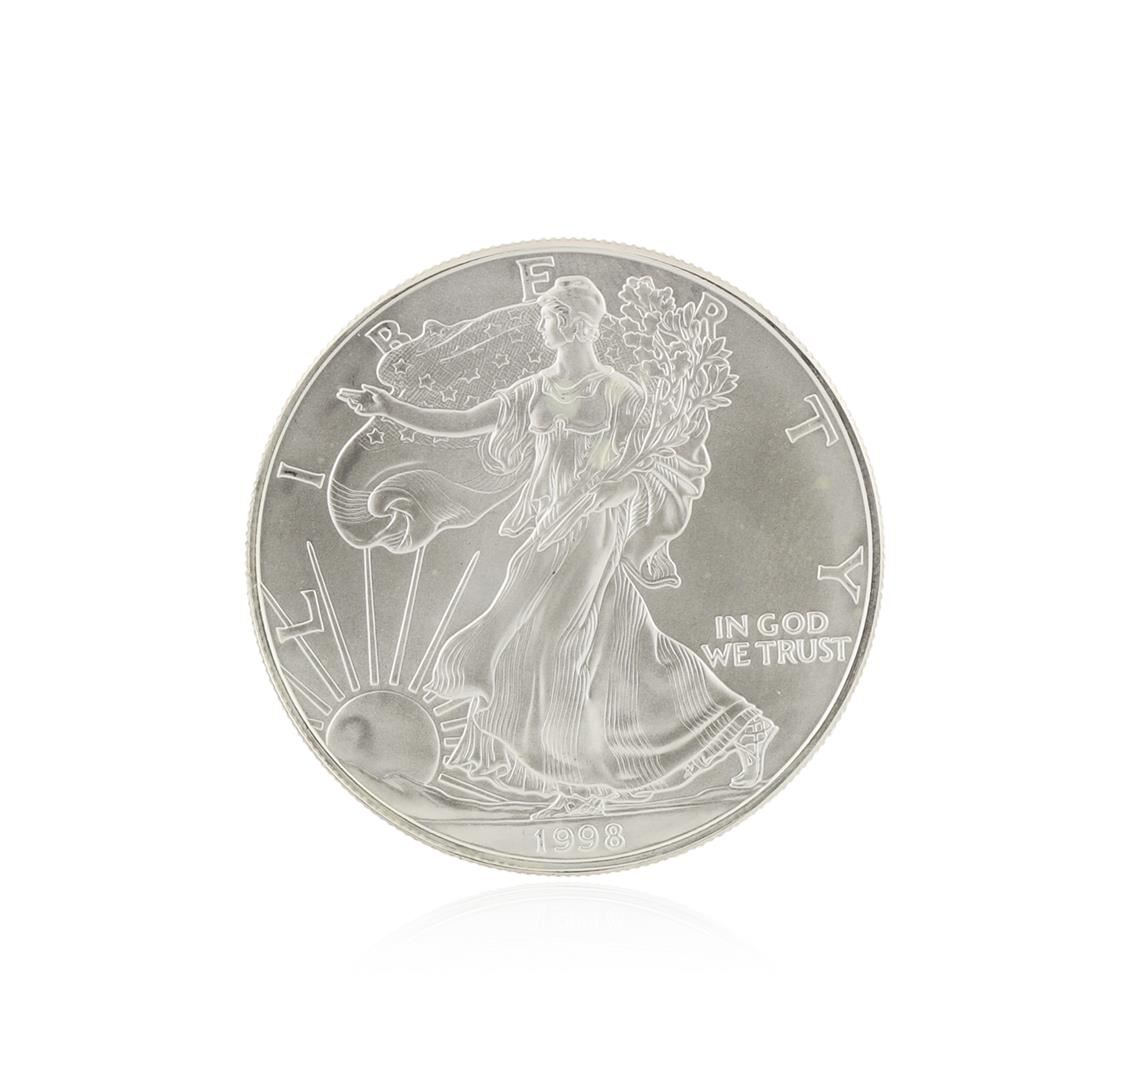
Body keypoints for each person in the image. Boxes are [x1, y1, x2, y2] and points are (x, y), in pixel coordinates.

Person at [339, 276, 774, 814]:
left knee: (553, 645)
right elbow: (466, 422)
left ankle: (580, 785)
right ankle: (740, 728)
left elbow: (663, 460)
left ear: (572, 323)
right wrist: (388, 407)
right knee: (625, 646)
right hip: (549, 528)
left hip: (593, 529)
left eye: (548, 316)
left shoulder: (618, 392)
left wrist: (620, 486)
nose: (541, 325)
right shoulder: (535, 389)